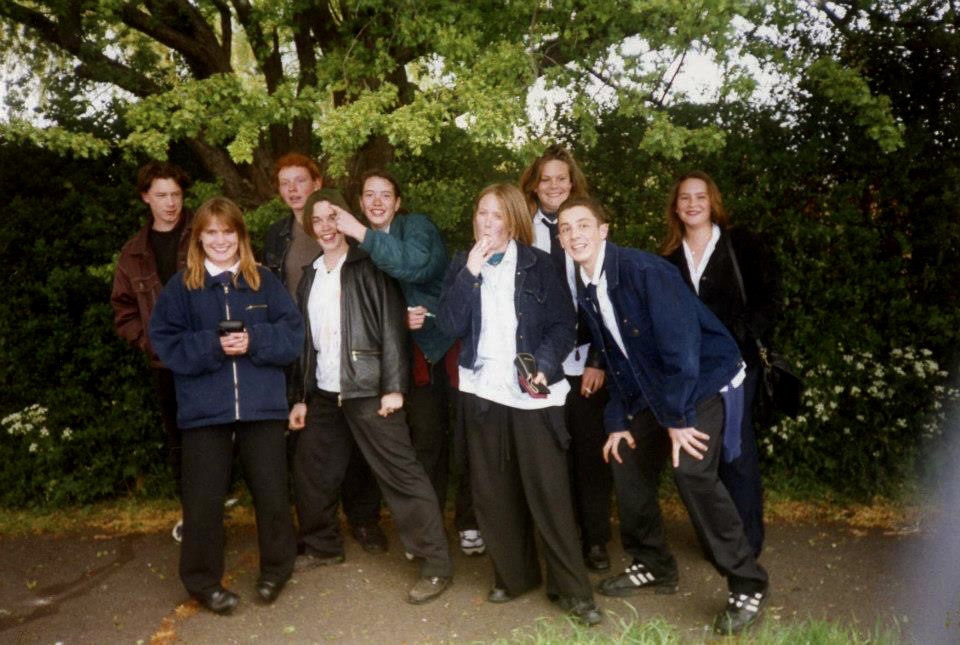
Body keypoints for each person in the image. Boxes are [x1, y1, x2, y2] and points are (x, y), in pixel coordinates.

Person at [556, 197, 769, 636]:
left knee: (691, 471)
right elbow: (617, 359)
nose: (574, 234)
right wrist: (617, 421)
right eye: (565, 229)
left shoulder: (644, 272)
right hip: (661, 386)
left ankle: (748, 581)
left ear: (603, 230)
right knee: (622, 454)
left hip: (705, 378)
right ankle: (653, 563)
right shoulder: (584, 282)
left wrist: (676, 419)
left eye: (583, 225)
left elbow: (683, 351)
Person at [437, 184, 602, 626]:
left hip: (533, 393)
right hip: (481, 390)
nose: (486, 223)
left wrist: (544, 367)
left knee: (548, 492)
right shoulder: (462, 264)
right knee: (493, 491)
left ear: (512, 221)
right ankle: (514, 576)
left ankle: (572, 590)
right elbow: (449, 325)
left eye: (495, 215)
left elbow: (563, 326)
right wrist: (470, 272)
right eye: (480, 213)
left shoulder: (540, 263)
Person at [288, 188, 453, 605]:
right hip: (324, 392)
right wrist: (302, 396)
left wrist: (394, 388)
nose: (326, 227)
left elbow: (393, 329)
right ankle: (322, 547)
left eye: (332, 218)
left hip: (367, 389)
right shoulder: (310, 274)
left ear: (345, 219)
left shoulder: (368, 265)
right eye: (318, 221)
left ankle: (436, 565)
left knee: (402, 474)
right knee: (313, 472)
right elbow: (307, 343)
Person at [149, 197, 301, 614]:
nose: (220, 240)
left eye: (228, 231)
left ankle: (275, 571)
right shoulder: (182, 287)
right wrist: (213, 346)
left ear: (240, 235)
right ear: (199, 237)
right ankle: (202, 582)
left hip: (261, 409)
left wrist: (255, 341)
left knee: (272, 496)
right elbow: (166, 343)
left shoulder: (264, 282)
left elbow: (292, 336)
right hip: (205, 412)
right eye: (211, 232)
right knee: (203, 502)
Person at [331, 168, 484, 556]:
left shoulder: (417, 227)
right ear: (361, 203)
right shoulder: (357, 247)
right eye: (369, 195)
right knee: (424, 443)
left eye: (386, 195)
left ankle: (471, 522)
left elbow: (417, 266)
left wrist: (361, 232)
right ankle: (428, 531)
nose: (377, 202)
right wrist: (399, 318)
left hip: (452, 345)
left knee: (470, 438)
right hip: (409, 357)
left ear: (398, 203)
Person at [262, 153, 387, 555]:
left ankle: (364, 521)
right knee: (311, 452)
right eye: (285, 182)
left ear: (317, 184)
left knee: (359, 450)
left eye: (301, 180)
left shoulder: (344, 227)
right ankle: (319, 535)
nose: (293, 189)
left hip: (353, 355)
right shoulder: (277, 235)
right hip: (303, 350)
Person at [660, 171, 781, 557]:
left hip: (739, 369)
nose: (693, 204)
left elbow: (770, 299)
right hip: (693, 376)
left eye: (700, 196)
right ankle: (718, 540)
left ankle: (747, 542)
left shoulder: (741, 245)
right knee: (699, 460)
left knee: (737, 455)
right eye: (685, 198)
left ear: (713, 201)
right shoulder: (667, 259)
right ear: (676, 206)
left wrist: (740, 334)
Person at [519, 145, 613, 572]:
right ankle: (558, 541)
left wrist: (598, 357)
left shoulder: (585, 228)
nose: (554, 185)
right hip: (540, 365)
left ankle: (595, 540)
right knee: (549, 456)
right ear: (533, 185)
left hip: (584, 367)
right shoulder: (522, 230)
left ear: (572, 183)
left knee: (589, 456)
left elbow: (604, 300)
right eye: (546, 179)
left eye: (561, 178)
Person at [111, 161, 193, 543]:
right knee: (178, 438)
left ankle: (215, 503)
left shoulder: (204, 234)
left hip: (213, 355)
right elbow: (124, 312)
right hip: (165, 362)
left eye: (175, 194)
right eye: (161, 195)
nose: (170, 203)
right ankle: (192, 513)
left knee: (223, 434)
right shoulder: (133, 254)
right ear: (146, 197)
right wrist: (150, 342)